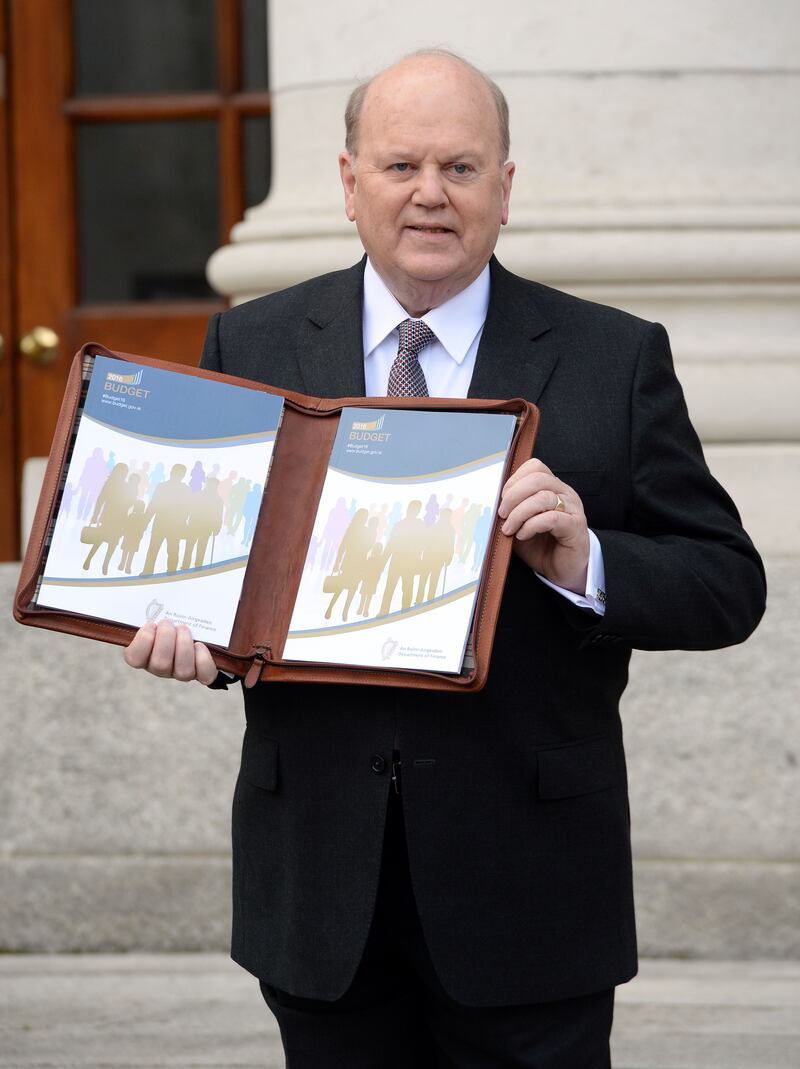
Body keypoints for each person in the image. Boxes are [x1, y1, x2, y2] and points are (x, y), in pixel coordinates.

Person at [124, 50, 765, 1068]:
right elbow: (222, 584)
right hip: (321, 893)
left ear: (504, 190)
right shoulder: (252, 342)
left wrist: (582, 557)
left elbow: (727, 584)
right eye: (400, 165)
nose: (429, 193)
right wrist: (190, 634)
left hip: (532, 897)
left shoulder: (612, 355)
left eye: (461, 168)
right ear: (347, 184)